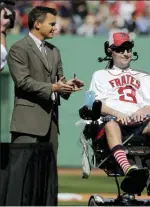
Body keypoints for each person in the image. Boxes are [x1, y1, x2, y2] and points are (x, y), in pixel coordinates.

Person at [5, 6, 84, 206]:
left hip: (51, 124)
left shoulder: (54, 51)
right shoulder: (18, 48)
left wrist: (67, 87)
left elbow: (58, 83)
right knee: (21, 177)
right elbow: (23, 82)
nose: (55, 28)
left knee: (47, 179)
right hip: (27, 123)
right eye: (52, 24)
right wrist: (54, 87)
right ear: (37, 23)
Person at [88, 31, 150, 194]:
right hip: (115, 122)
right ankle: (130, 171)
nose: (126, 53)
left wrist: (147, 108)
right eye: (121, 49)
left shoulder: (143, 76)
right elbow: (94, 103)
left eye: (128, 49)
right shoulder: (100, 75)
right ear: (110, 51)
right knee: (111, 124)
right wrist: (115, 112)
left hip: (141, 123)